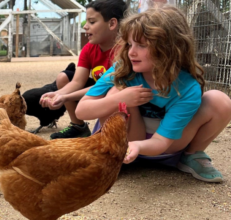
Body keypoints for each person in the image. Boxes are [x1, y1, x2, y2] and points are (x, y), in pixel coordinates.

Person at [76, 5, 231, 183]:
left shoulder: (186, 86)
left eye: (142, 45)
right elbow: (82, 111)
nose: (131, 52)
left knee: (219, 100)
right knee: (116, 90)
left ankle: (191, 156)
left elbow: (161, 142)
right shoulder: (122, 69)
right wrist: (121, 99)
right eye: (129, 44)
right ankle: (115, 156)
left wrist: (138, 146)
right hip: (126, 140)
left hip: (165, 146)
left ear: (170, 48)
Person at [39, 0, 127, 139]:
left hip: (115, 92)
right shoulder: (89, 48)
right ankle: (78, 126)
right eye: (86, 22)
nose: (85, 26)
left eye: (92, 22)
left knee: (113, 90)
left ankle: (113, 133)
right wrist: (57, 94)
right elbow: (77, 82)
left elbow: (107, 85)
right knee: (63, 78)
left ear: (112, 24)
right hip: (100, 89)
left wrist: (65, 97)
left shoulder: (125, 50)